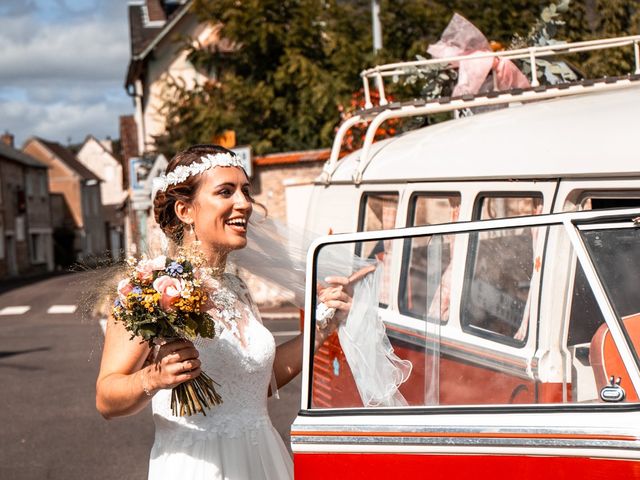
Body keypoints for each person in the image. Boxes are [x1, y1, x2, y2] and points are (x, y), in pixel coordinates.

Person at [96, 144, 351, 479]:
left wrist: (322, 326)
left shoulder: (236, 287)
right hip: (198, 465)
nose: (244, 203)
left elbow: (259, 380)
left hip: (262, 457)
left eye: (245, 190)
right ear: (185, 210)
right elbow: (106, 398)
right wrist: (152, 378)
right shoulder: (150, 288)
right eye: (225, 191)